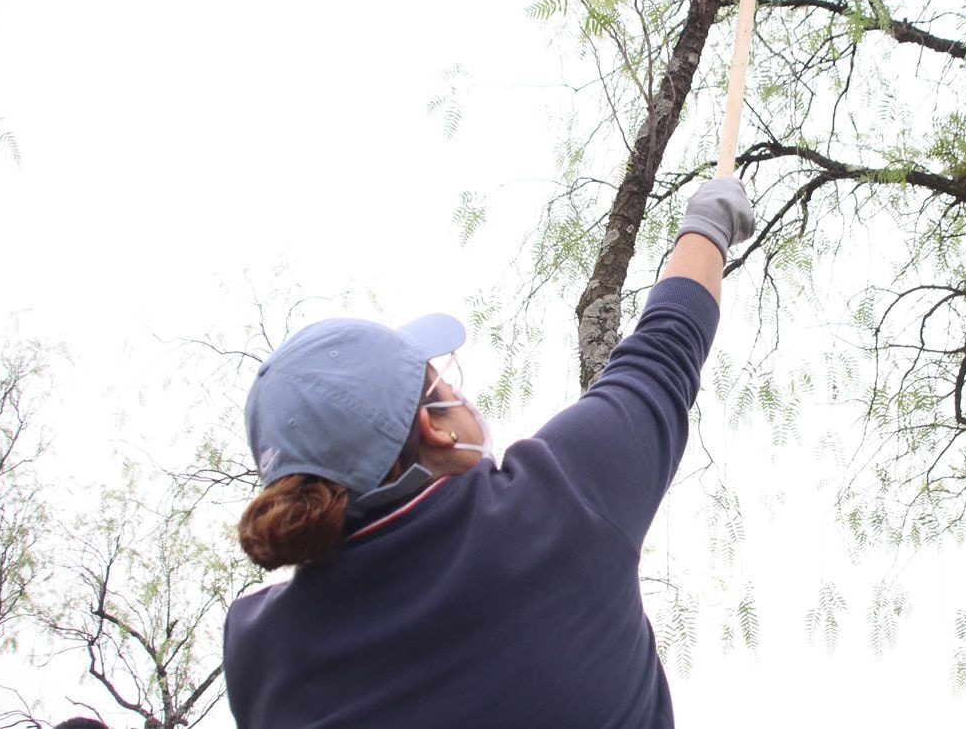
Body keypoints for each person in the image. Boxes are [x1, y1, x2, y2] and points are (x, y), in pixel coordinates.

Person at [222, 179, 755, 728]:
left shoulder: (257, 657)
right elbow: (663, 349)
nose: (462, 394)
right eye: (446, 384)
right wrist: (708, 226)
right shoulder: (554, 510)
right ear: (435, 428)